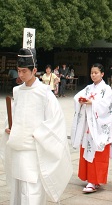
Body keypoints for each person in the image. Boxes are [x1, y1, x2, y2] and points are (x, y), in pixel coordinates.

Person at [0, 48, 72, 204]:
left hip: (34, 148)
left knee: (31, 190)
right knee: (18, 191)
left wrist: (39, 134)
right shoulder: (17, 91)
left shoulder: (44, 92)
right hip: (18, 146)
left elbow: (56, 120)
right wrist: (9, 128)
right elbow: (14, 115)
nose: (20, 75)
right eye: (18, 71)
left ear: (34, 70)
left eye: (24, 71)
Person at [71, 63, 112, 193]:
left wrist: (92, 103)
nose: (93, 75)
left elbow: (106, 106)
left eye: (96, 73)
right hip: (88, 125)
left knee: (98, 153)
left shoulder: (106, 89)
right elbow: (77, 97)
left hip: (99, 125)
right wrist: (80, 100)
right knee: (87, 149)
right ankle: (90, 179)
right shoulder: (88, 88)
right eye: (92, 72)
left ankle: (95, 180)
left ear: (102, 74)